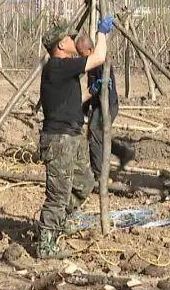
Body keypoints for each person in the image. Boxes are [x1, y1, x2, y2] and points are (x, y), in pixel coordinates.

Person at [35, 16, 113, 258]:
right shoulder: (58, 66)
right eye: (69, 38)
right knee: (58, 193)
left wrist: (92, 92)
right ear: (60, 46)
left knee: (84, 183)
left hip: (73, 136)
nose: (73, 40)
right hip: (60, 140)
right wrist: (102, 33)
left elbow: (70, 103)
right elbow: (98, 57)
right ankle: (46, 245)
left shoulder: (61, 71)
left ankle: (60, 222)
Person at [75, 33, 136, 178]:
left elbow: (103, 87)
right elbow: (92, 87)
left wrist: (101, 91)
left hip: (108, 104)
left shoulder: (101, 62)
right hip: (98, 104)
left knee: (95, 133)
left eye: (82, 54)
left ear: (90, 50)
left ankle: (99, 175)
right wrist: (84, 108)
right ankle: (123, 153)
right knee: (98, 135)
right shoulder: (91, 63)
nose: (81, 58)